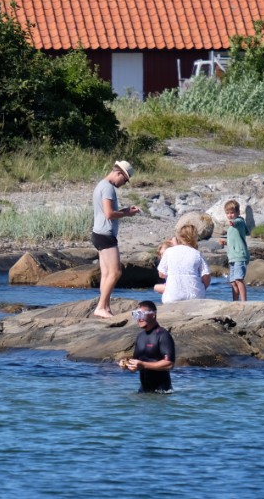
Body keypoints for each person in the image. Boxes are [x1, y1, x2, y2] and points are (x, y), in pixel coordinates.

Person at [91, 160, 140, 318]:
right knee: (115, 272)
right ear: (119, 173)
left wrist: (124, 211)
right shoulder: (107, 188)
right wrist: (127, 213)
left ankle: (105, 307)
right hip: (105, 235)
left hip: (100, 233)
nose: (124, 183)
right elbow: (109, 214)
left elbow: (108, 212)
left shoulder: (102, 185)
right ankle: (100, 307)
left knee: (106, 273)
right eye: (125, 180)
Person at [119, 300, 175, 393]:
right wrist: (126, 364)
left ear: (153, 315)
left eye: (142, 314)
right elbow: (136, 362)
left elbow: (169, 364)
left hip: (162, 392)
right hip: (143, 391)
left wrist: (143, 365)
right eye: (136, 315)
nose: (139, 319)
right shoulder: (140, 336)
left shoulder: (163, 335)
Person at [157, 224, 210, 304]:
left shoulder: (169, 252)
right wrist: (202, 288)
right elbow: (206, 277)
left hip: (173, 296)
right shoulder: (197, 254)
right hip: (195, 296)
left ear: (180, 237)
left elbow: (161, 274)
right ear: (195, 238)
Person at [218, 199, 250, 301]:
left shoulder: (239, 221)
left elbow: (237, 223)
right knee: (232, 281)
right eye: (228, 213)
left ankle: (244, 301)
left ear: (238, 213)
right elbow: (234, 240)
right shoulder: (231, 228)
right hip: (232, 257)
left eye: (232, 213)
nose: (230, 215)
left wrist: (233, 223)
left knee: (238, 279)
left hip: (239, 255)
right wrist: (226, 242)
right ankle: (235, 301)